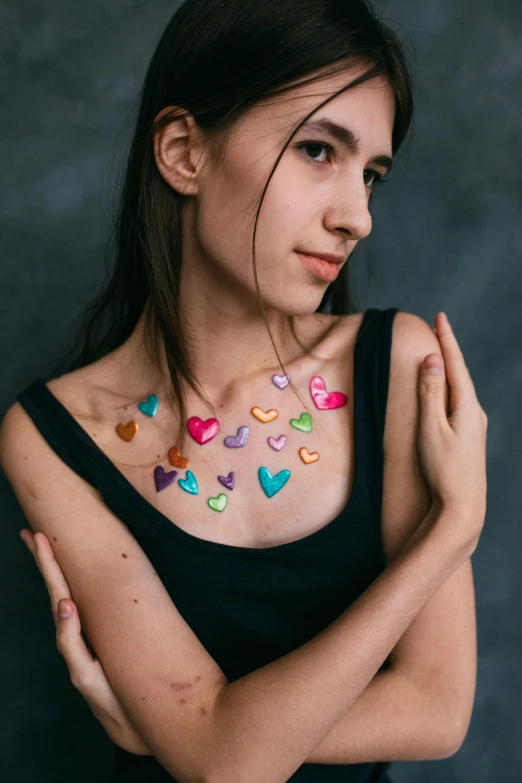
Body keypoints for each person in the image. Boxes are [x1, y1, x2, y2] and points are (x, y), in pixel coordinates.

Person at [0, 0, 488, 781]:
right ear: (184, 152)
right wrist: (449, 532)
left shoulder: (397, 364)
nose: (358, 215)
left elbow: (436, 710)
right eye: (319, 150)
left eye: (371, 175)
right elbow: (224, 765)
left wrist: (183, 733)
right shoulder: (54, 432)